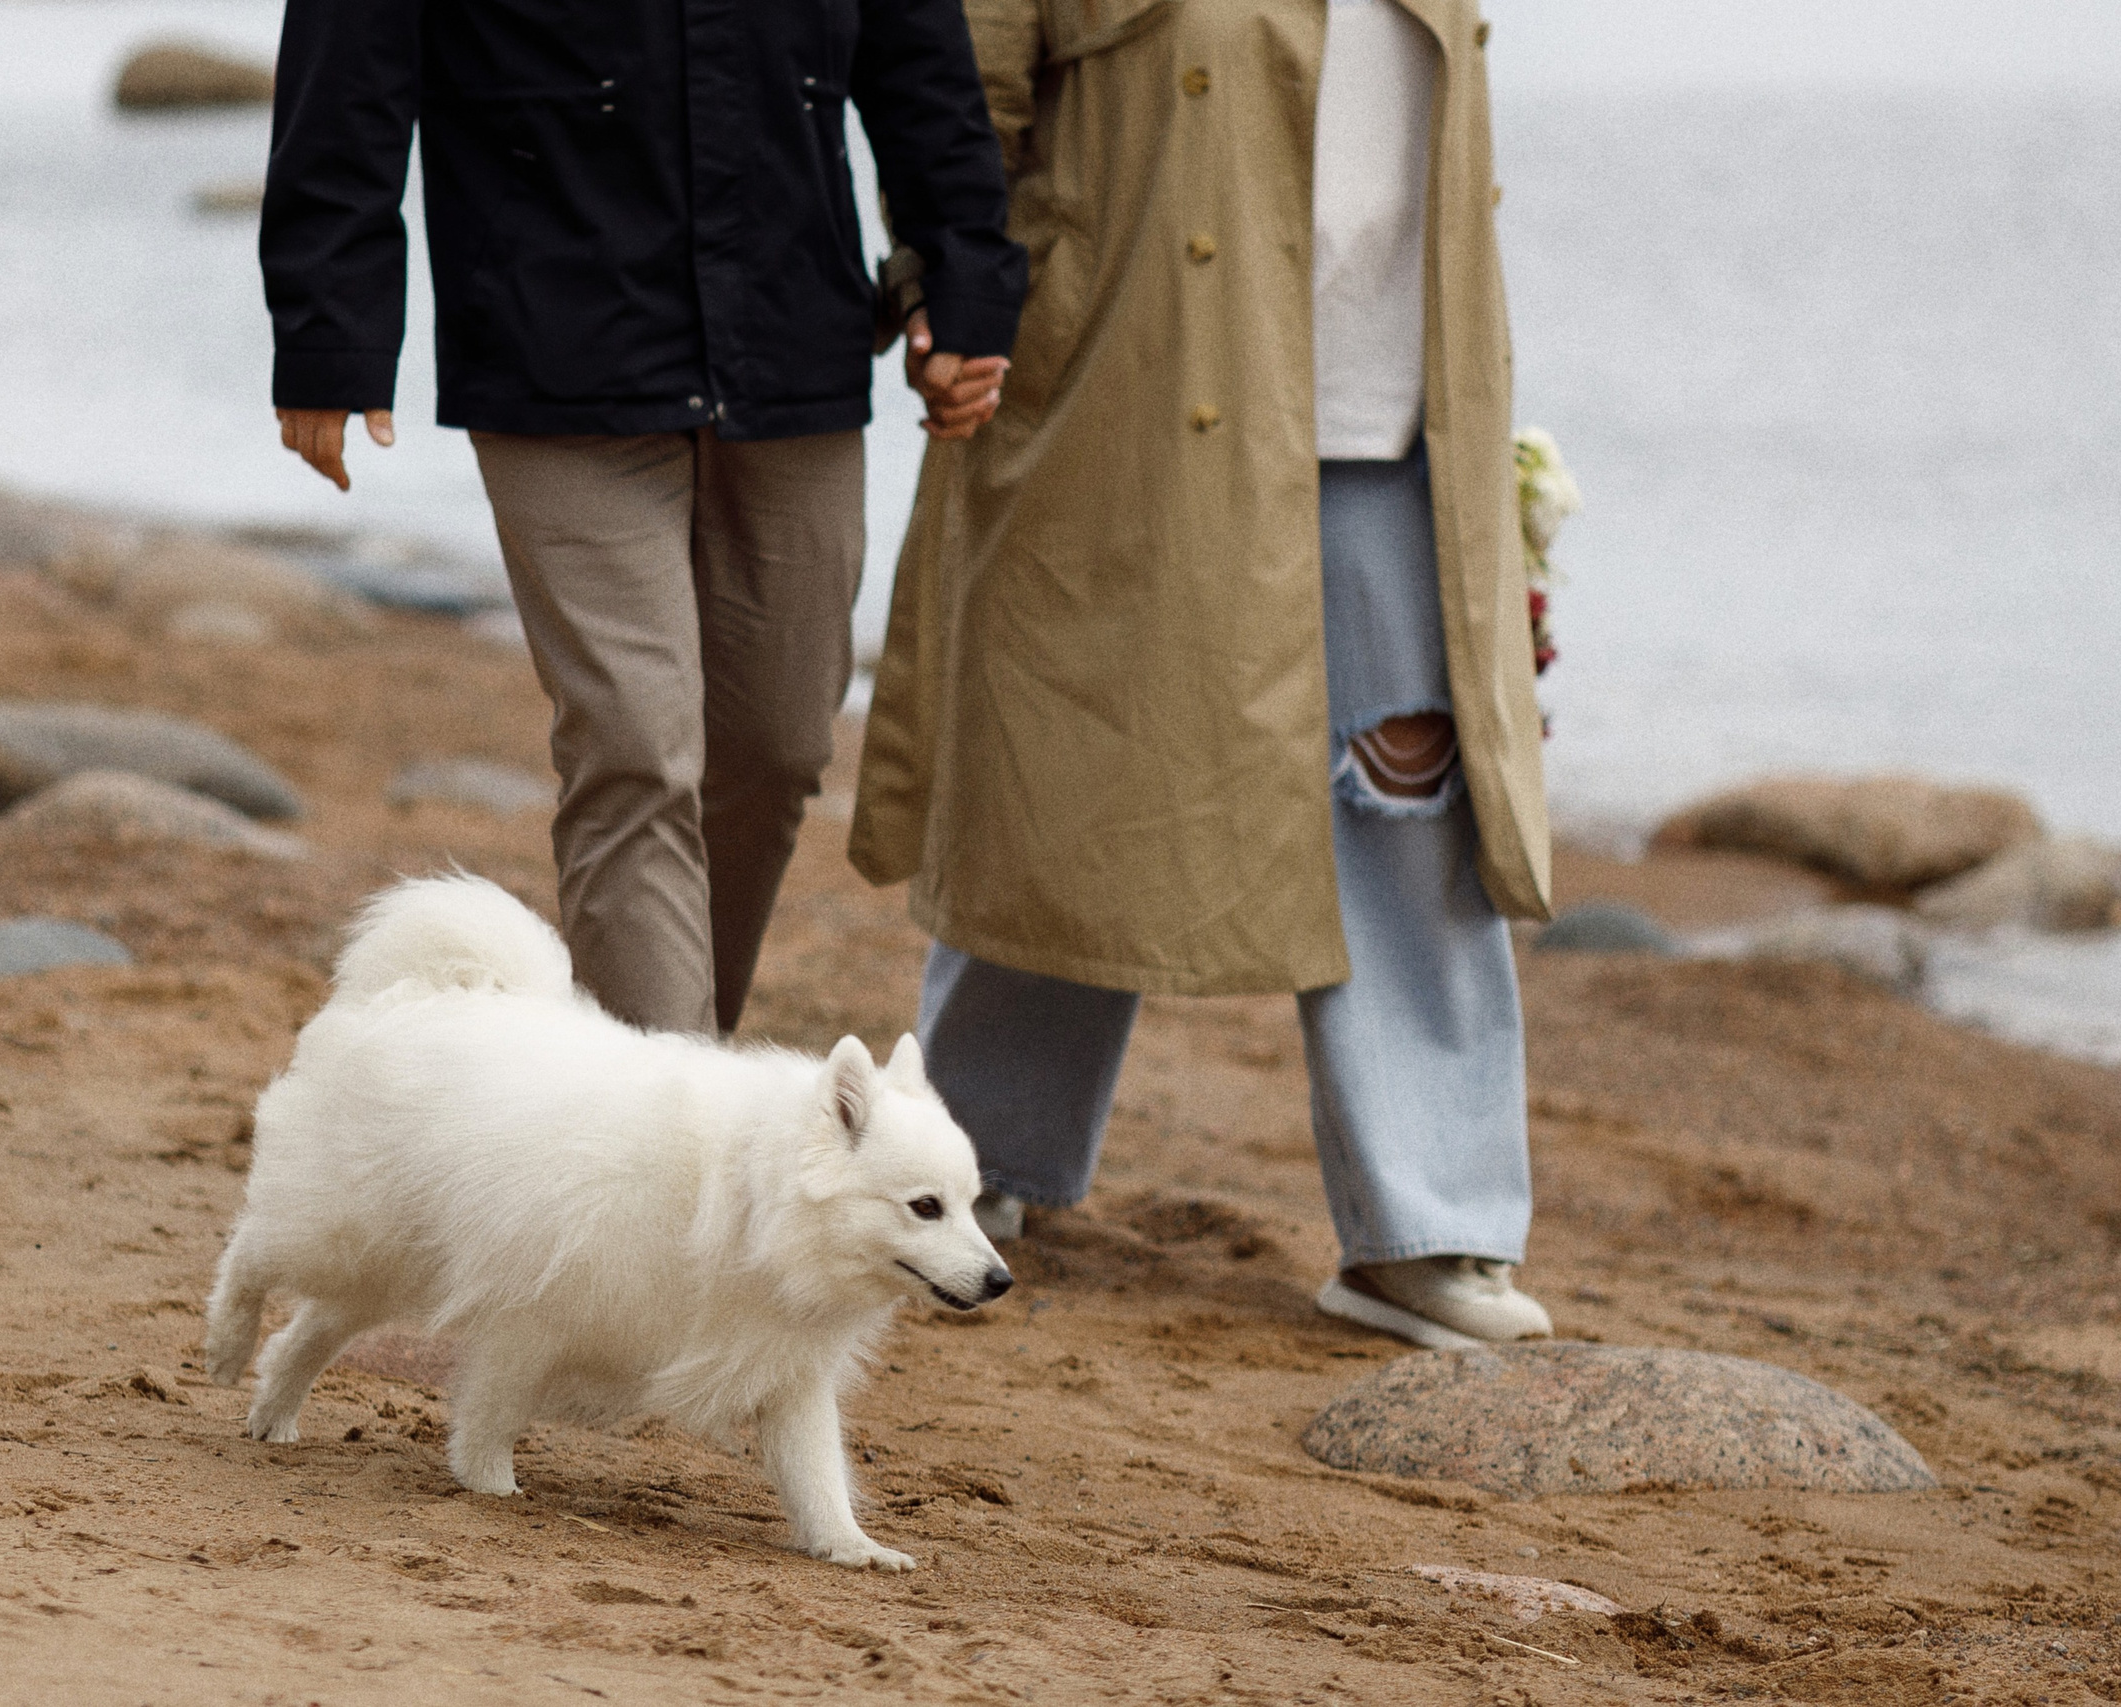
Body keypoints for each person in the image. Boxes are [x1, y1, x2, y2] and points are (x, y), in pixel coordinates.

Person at [852, 0, 1558, 1348]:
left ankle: (1427, 1225)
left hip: (1392, 413)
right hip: (1126, 386)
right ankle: (965, 1161)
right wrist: (956, 297)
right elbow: (955, 100)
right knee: (1069, 760)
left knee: (1408, 796)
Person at [259, 0, 1024, 1036]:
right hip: (555, 343)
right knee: (635, 752)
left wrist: (962, 284)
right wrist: (328, 333)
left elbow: (921, 62)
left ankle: (639, 1094)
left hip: (788, 338)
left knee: (779, 743)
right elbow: (348, 65)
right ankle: (665, 1141)